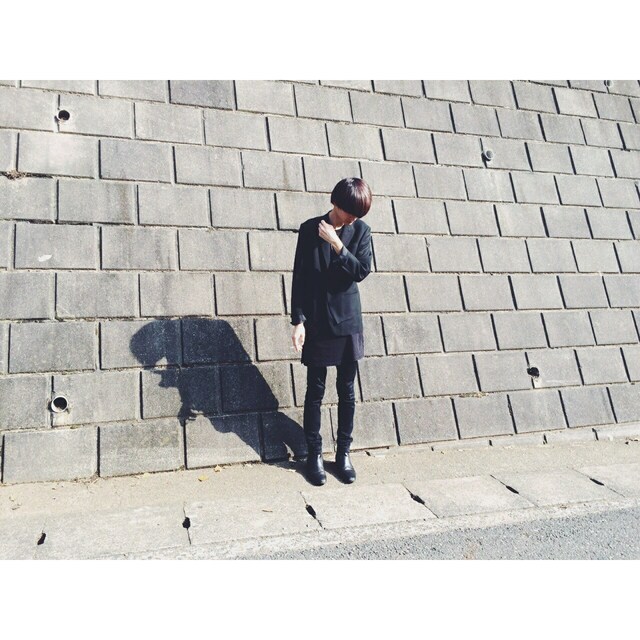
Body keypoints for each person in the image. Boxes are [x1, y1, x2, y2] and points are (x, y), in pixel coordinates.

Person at [290, 177, 373, 486]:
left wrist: (337, 244)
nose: (354, 218)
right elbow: (300, 276)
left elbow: (361, 271)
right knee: (315, 391)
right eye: (351, 211)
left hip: (348, 320)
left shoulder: (361, 231)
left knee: (346, 390)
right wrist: (298, 320)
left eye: (359, 213)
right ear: (336, 202)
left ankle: (343, 453)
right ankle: (313, 453)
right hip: (318, 319)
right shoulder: (308, 229)